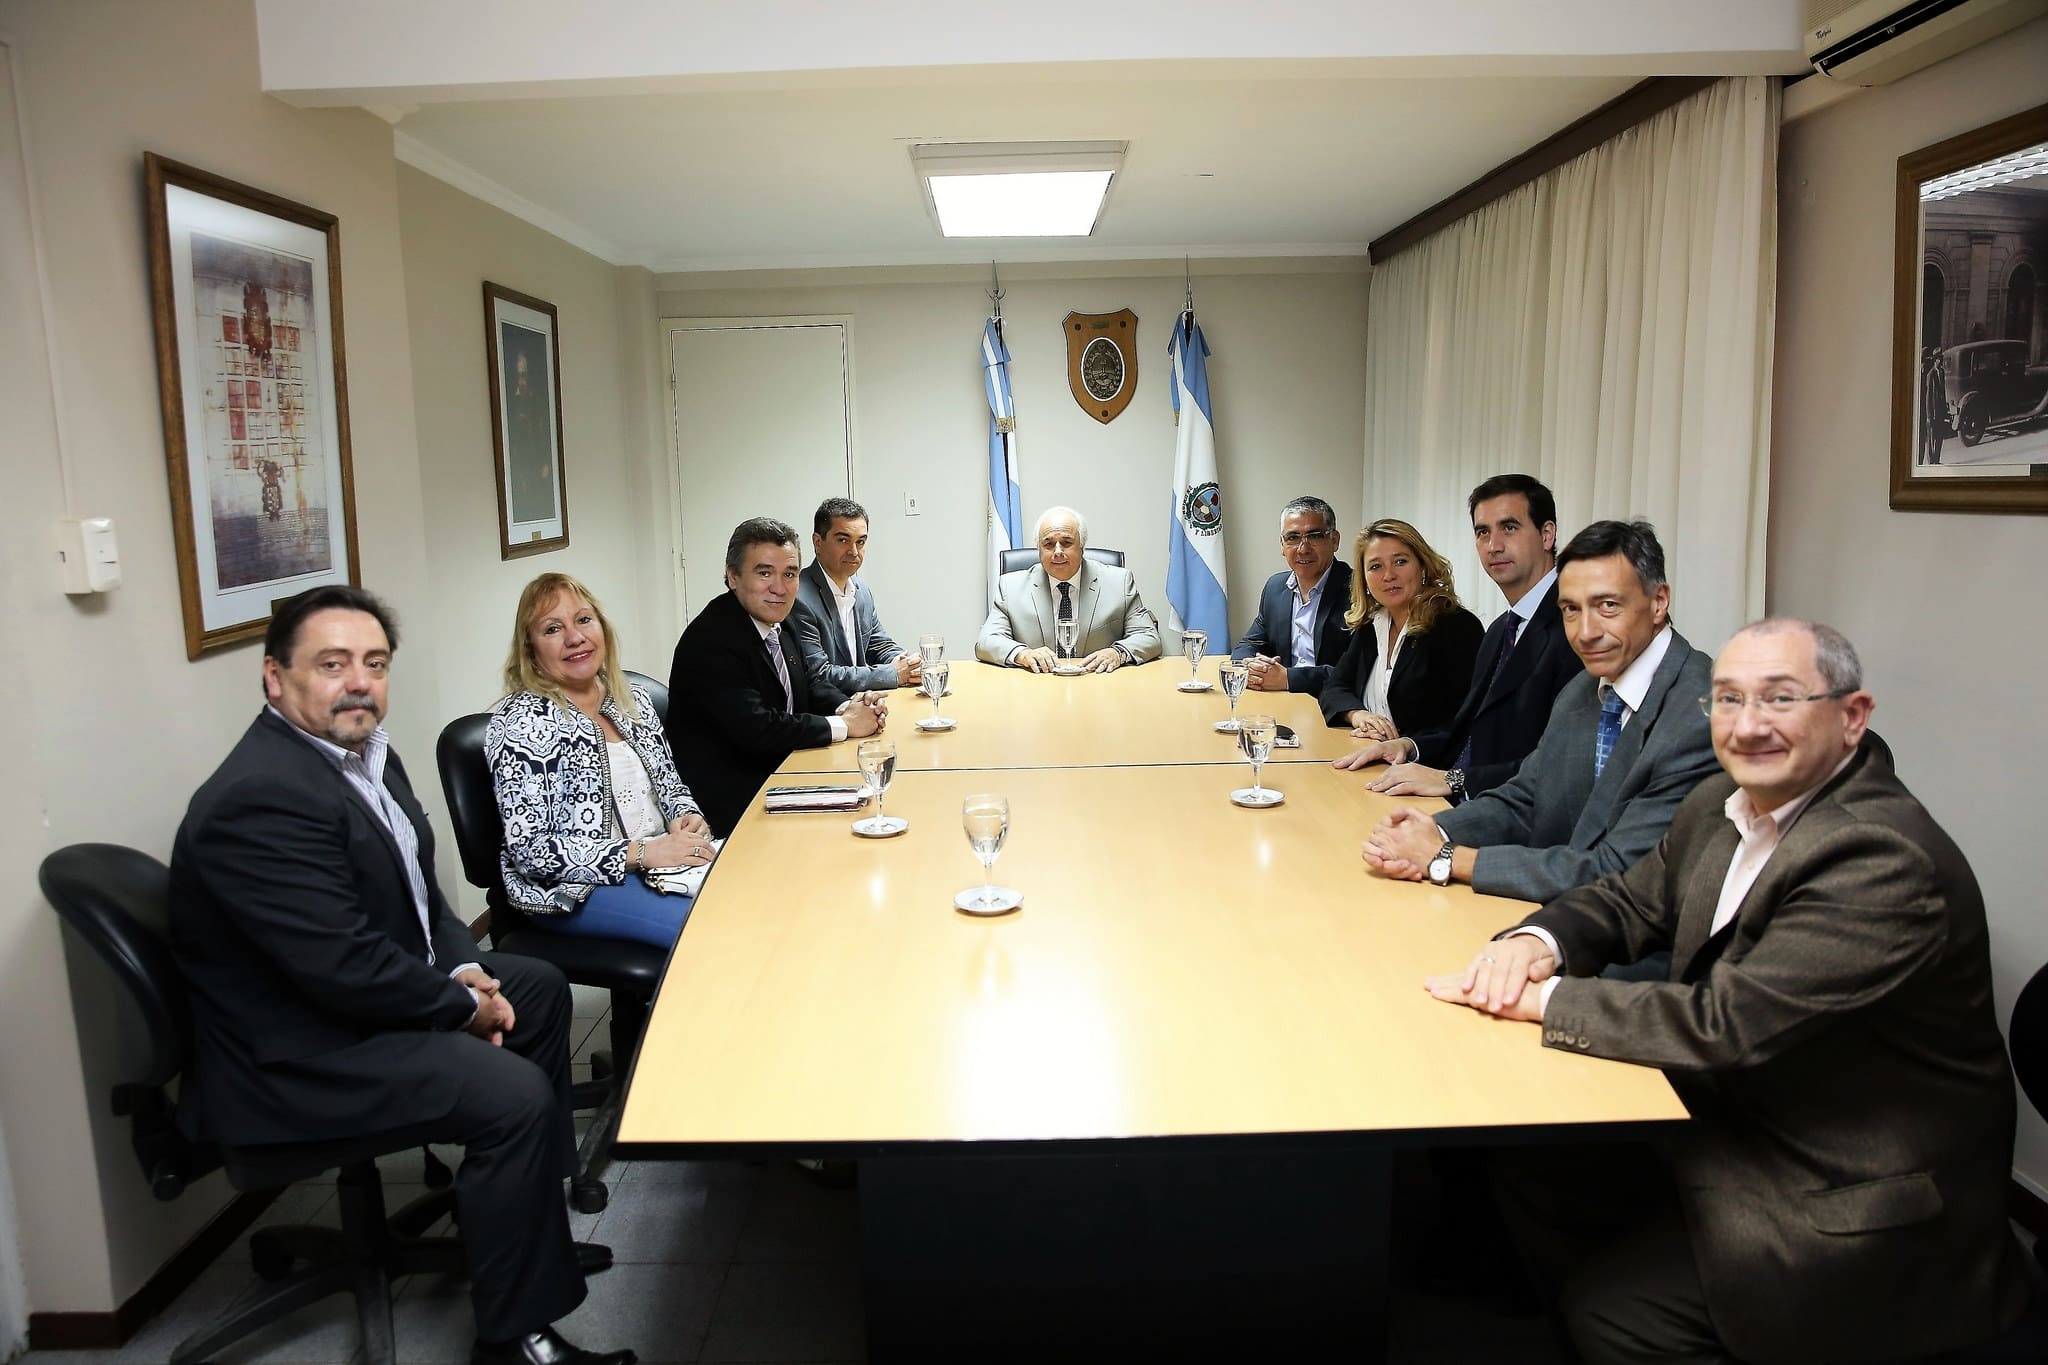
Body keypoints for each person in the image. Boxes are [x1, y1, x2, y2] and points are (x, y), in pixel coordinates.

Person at [1423, 620, 2032, 1363]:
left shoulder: (1880, 856)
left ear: (1852, 715)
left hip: (1846, 1185)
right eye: (1728, 699)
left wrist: (1541, 999)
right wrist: (1533, 943)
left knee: (1614, 1313)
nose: (1747, 726)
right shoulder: (1721, 801)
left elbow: (1725, 1024)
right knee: (1533, 1172)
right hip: (1739, 1111)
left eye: (1779, 698)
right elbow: (1625, 901)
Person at [168, 586, 633, 1365]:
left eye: (374, 663)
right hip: (296, 1055)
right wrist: (459, 1002)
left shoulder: (364, 755)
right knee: (509, 1094)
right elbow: (341, 965)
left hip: (354, 1003)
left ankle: (526, 1233)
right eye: (331, 663)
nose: (358, 681)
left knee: (539, 989)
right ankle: (513, 1335)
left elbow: (425, 899)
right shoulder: (260, 797)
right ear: (274, 678)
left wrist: (464, 966)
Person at [1362, 519, 1718, 904]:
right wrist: (1429, 829)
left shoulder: (1701, 713)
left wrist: (1448, 856)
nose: (1585, 632)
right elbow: (1527, 797)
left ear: (1659, 602)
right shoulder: (1586, 688)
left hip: (1634, 948)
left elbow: (1616, 870)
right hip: (1562, 912)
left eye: (1607, 606)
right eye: (1570, 609)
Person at [487, 572, 714, 949]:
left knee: (752, 898)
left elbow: (670, 784)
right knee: (711, 931)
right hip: (573, 890)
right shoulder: (522, 723)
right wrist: (644, 853)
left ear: (602, 628)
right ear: (530, 649)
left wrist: (684, 815)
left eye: (583, 620)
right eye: (552, 629)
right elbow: (531, 850)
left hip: (662, 864)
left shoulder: (632, 700)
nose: (574, 637)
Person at [1336, 474, 1579, 803]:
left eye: (1509, 527)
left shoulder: (1577, 626)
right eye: (1483, 532)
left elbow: (1563, 763)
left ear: (1546, 534)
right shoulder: (1501, 630)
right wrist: (1408, 746)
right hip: (1468, 797)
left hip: (1514, 817)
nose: (1493, 546)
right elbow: (1466, 731)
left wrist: (1454, 780)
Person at [666, 517, 886, 833]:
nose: (780, 589)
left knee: (870, 801)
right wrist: (844, 725)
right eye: (764, 573)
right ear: (732, 576)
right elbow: (759, 729)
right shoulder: (711, 640)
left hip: (783, 773)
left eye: (790, 574)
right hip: (734, 805)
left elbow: (810, 683)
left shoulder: (782, 618)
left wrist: (849, 706)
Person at [1315, 518, 1482, 740]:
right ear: (1364, 579)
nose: (1388, 575)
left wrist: (1407, 746)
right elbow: (1334, 687)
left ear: (1423, 565)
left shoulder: (1456, 626)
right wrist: (1357, 714)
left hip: (1424, 767)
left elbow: (1463, 724)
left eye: (1400, 562)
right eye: (1375, 566)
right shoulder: (1372, 625)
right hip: (1369, 757)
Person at [975, 505, 1161, 671]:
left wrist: (1118, 653)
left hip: (1100, 688)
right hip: (1035, 690)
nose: (1057, 551)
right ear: (1038, 549)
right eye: (1048, 544)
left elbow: (1148, 636)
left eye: (1066, 542)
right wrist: (1022, 654)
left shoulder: (1119, 582)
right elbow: (986, 641)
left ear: (1082, 546)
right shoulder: (1011, 587)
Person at [791, 496, 921, 693]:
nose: (854, 551)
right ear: (818, 542)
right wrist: (893, 674)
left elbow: (879, 646)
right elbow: (820, 675)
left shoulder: (862, 591)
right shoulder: (799, 597)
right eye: (843, 540)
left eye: (860, 542)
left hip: (864, 704)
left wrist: (907, 664)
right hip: (827, 714)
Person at [1231, 494, 1354, 696]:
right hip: (1284, 701)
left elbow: (1358, 672)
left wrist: (1287, 678)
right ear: (1282, 545)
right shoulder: (1275, 588)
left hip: (1336, 706)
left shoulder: (1359, 591)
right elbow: (1249, 644)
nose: (1303, 549)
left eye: (1314, 536)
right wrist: (1251, 664)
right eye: (1293, 538)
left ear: (1334, 540)